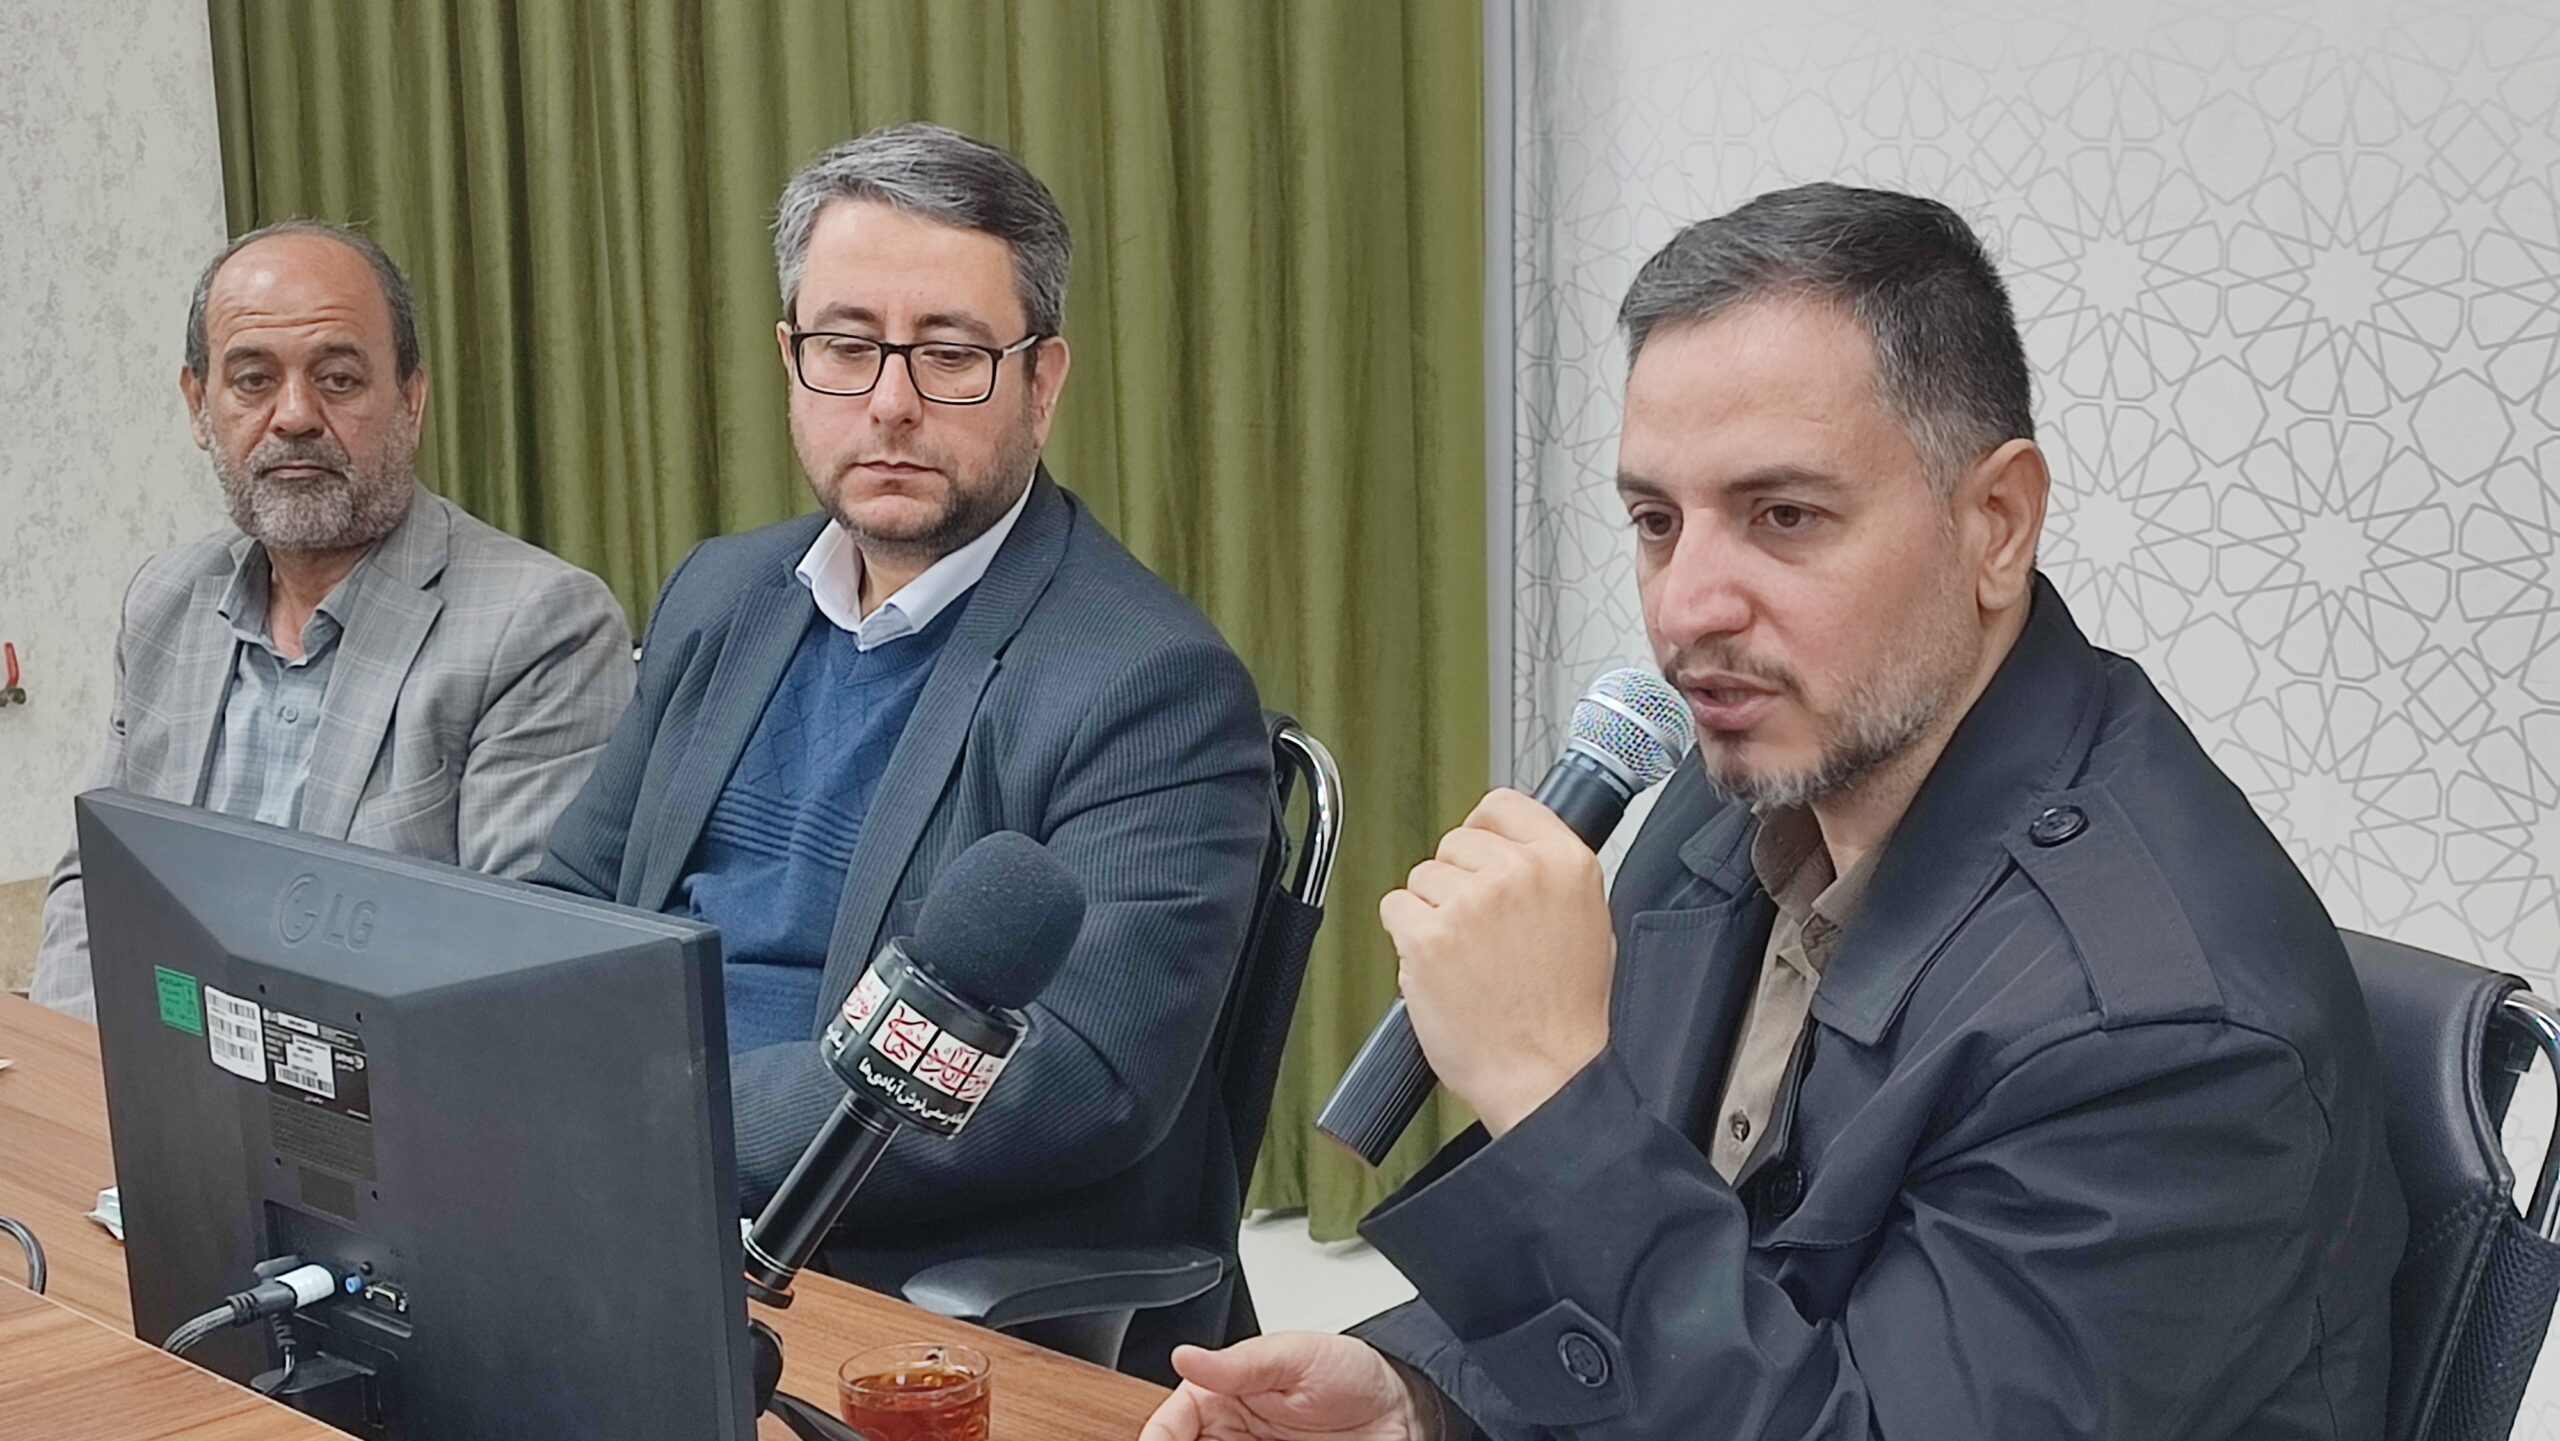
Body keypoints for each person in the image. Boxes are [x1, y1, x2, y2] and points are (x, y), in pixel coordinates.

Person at [1145, 184, 2404, 1439]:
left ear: (1996, 523)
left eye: (1783, 516)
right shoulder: (1742, 784)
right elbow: (1684, 1262)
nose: (1685, 607)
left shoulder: (2158, 1032)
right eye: (1655, 521)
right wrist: (1424, 1396)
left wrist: (1545, 1086)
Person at [530, 124, 1271, 1364]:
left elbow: (1075, 1078)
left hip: (866, 1275)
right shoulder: (723, 592)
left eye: (950, 355)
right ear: (790, 360)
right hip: (617, 1203)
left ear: (1042, 381)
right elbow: (571, 899)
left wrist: (656, 1116)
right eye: (846, 346)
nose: (889, 403)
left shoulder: (1151, 684)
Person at [34, 221, 634, 1021]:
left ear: (412, 400)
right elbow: (95, 885)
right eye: (253, 380)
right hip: (160, 1063)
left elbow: (517, 982)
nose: (294, 416)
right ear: (199, 406)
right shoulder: (164, 601)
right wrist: (72, 1063)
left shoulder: (540, 627)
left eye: (340, 379)